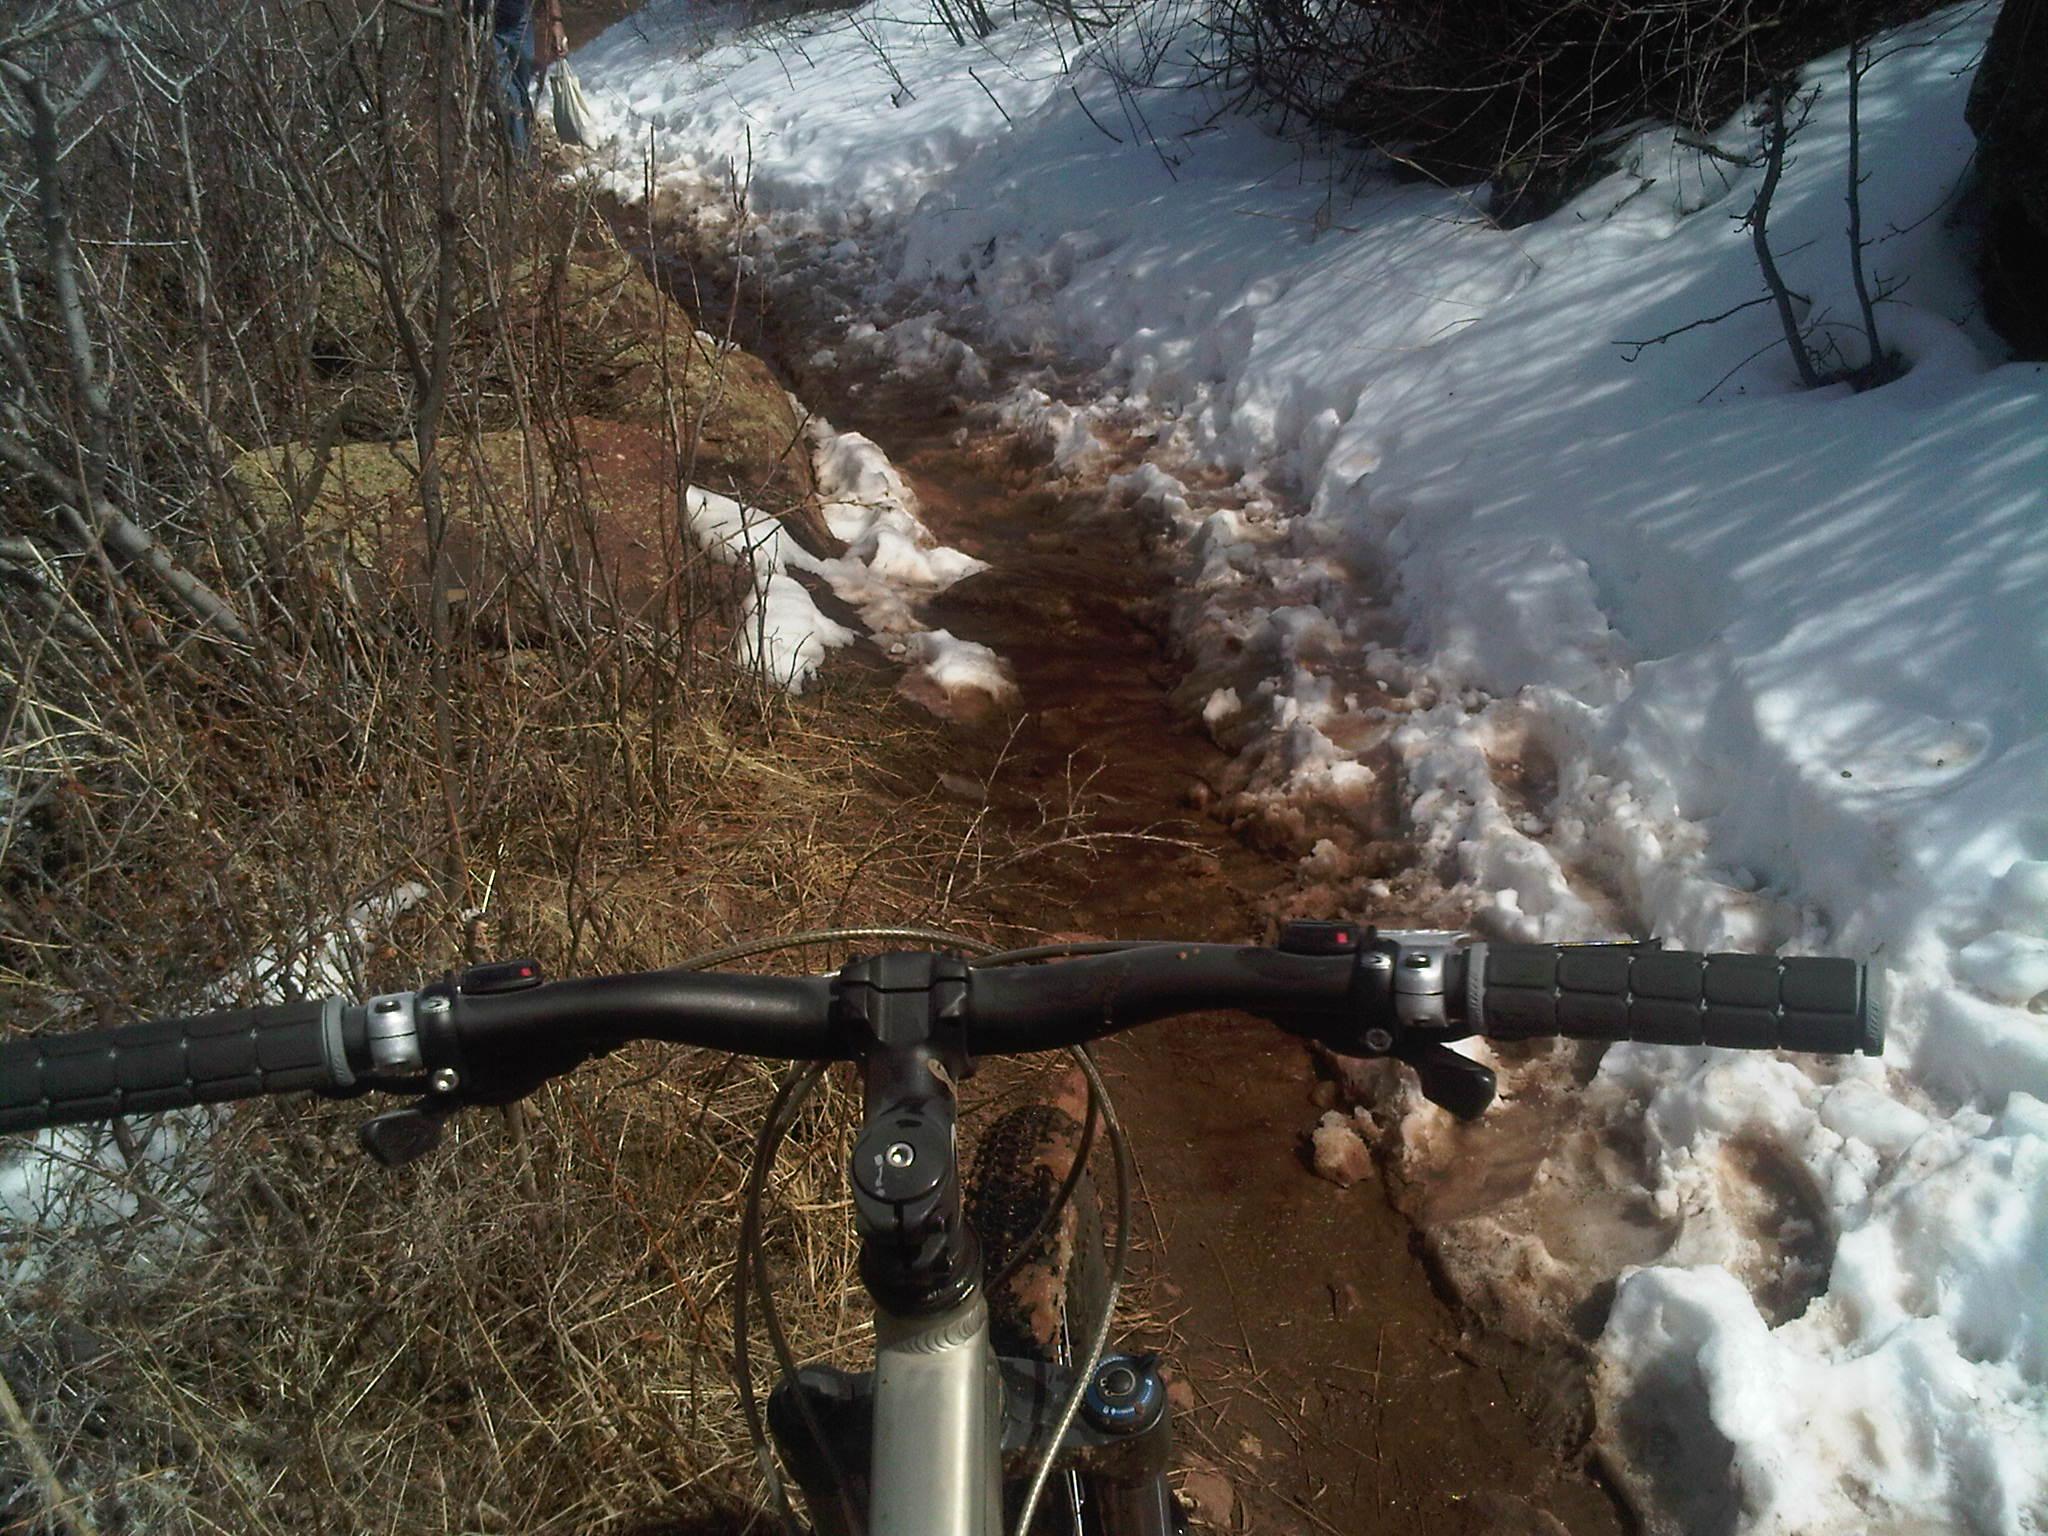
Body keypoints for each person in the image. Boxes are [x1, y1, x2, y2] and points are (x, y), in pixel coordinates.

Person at [474, 0, 566, 160]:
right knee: (508, 96)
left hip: (519, 21)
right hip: (483, 24)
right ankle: (519, 163)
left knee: (521, 92)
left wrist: (555, 21)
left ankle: (527, 147)